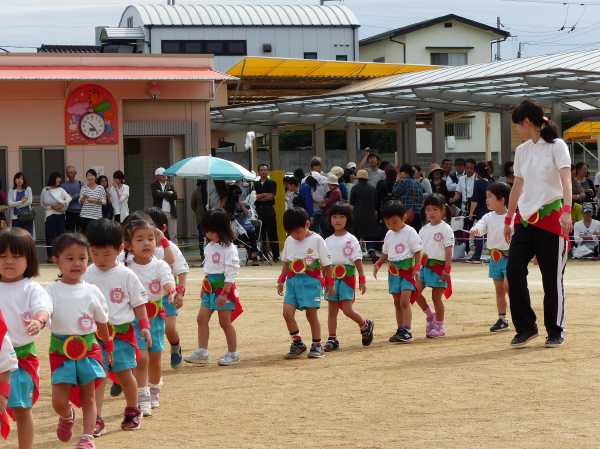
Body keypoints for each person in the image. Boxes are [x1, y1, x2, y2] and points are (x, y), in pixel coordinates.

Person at [505, 99, 572, 348]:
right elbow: (517, 187)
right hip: (525, 220)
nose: (517, 130)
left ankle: (555, 330)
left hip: (552, 218)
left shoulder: (557, 146)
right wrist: (508, 218)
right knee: (513, 270)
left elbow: (566, 180)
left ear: (526, 122)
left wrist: (567, 210)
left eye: (517, 125)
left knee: (551, 279)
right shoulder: (522, 151)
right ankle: (526, 327)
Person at [84, 219, 151, 434]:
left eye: (106, 254)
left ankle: (132, 409)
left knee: (124, 375)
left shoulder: (126, 275)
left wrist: (144, 326)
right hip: (94, 337)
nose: (100, 260)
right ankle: (96, 418)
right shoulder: (87, 273)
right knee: (98, 378)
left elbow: (138, 303)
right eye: (95, 254)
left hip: (121, 335)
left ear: (120, 248)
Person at [46, 233, 111, 449]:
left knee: (88, 397)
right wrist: (38, 320)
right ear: (56, 260)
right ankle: (67, 416)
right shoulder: (51, 290)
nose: (76, 263)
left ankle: (87, 437)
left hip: (88, 350)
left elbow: (102, 321)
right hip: (60, 352)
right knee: (58, 401)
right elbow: (44, 311)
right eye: (70, 258)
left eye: (82, 258)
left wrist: (107, 344)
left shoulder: (92, 291)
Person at [0, 228, 52, 449]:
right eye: (2, 256)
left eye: (16, 256)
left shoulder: (32, 288)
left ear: (29, 258)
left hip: (21, 359)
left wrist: (39, 320)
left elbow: (44, 307)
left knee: (23, 409)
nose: (8, 261)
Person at [121, 217, 175, 416]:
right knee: (141, 358)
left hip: (156, 318)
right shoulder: (125, 265)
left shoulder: (160, 265)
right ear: (128, 245)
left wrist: (171, 291)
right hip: (134, 319)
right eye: (140, 239)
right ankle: (142, 395)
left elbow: (168, 280)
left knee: (155, 358)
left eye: (151, 239)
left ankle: (154, 390)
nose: (146, 243)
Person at [184, 209, 242, 367]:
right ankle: (202, 352)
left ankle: (233, 353)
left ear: (219, 230)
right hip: (209, 289)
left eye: (209, 231)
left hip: (223, 289)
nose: (207, 234)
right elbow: (209, 270)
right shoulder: (209, 246)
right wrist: (204, 286)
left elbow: (231, 273)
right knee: (201, 318)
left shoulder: (229, 248)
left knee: (225, 322)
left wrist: (224, 293)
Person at [277, 207, 332, 359]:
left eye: (297, 231)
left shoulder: (317, 240)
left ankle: (317, 344)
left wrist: (329, 283)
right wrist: (281, 280)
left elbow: (327, 264)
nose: (295, 235)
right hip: (293, 282)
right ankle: (298, 343)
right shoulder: (289, 240)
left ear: (307, 224)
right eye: (291, 232)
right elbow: (286, 262)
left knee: (311, 315)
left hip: (311, 283)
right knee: (287, 313)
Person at [324, 203, 374, 351]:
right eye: (334, 217)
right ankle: (332, 339)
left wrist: (362, 279)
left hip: (347, 279)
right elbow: (324, 263)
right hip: (331, 279)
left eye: (341, 217)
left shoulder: (351, 239)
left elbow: (357, 260)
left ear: (348, 219)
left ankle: (364, 324)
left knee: (347, 310)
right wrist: (323, 280)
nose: (337, 220)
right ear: (330, 219)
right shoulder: (326, 241)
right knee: (332, 310)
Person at [144, 207, 189, 369]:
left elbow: (181, 271)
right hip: (146, 298)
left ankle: (175, 345)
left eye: (152, 227)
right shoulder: (140, 247)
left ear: (162, 228)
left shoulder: (170, 247)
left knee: (169, 329)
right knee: (146, 330)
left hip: (167, 296)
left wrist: (180, 294)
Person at [373, 201, 423, 344]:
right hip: (393, 272)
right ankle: (400, 328)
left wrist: (417, 266)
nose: (391, 225)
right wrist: (379, 263)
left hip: (407, 272)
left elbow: (418, 251)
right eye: (387, 223)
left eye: (394, 222)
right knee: (396, 302)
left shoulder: (410, 232)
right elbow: (386, 252)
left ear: (404, 217)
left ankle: (407, 330)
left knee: (404, 301)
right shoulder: (389, 234)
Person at [470, 183, 512, 332]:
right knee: (499, 290)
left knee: (509, 288)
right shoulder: (488, 217)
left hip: (510, 258)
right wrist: (475, 230)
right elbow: (480, 226)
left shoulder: (512, 217)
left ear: (502, 199)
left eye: (489, 197)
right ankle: (502, 319)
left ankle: (521, 315)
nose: (486, 200)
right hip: (495, 258)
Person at [417, 194, 454, 338]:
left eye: (435, 209)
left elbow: (449, 250)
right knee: (414, 292)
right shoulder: (423, 229)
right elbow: (419, 250)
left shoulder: (446, 228)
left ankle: (439, 326)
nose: (431, 212)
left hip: (439, 268)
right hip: (424, 268)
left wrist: (447, 269)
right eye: (428, 209)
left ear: (443, 210)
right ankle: (429, 314)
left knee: (436, 297)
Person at [40, 172, 71, 261]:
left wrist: (62, 204)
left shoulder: (61, 189)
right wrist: (52, 207)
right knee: (50, 236)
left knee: (61, 236)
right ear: (52, 180)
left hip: (60, 215)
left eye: (59, 181)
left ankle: (60, 255)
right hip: (50, 215)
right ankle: (50, 256)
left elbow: (69, 198)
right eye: (57, 181)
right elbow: (42, 203)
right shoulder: (45, 189)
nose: (58, 183)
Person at [350, 170, 379, 262]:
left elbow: (352, 203)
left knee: (356, 236)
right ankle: (372, 253)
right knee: (369, 236)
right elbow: (376, 203)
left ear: (358, 178)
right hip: (370, 216)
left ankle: (356, 256)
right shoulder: (372, 188)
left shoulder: (355, 188)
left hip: (357, 215)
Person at [466, 162, 491, 262]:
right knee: (489, 234)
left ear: (477, 172)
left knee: (478, 233)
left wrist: (471, 213)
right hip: (490, 210)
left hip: (481, 212)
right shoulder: (490, 182)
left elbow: (474, 200)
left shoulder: (478, 183)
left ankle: (477, 255)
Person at [254, 164, 279, 262]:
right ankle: (264, 255)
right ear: (258, 172)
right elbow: (254, 197)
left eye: (265, 170)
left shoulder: (272, 183)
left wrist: (261, 196)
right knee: (261, 233)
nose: (263, 172)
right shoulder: (255, 184)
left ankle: (276, 255)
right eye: (261, 170)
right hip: (258, 211)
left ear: (268, 171)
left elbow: (271, 196)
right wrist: (264, 195)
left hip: (269, 210)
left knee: (272, 232)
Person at [393, 164, 425, 231]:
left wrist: (397, 181)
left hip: (406, 214)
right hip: (418, 213)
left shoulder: (403, 182)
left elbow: (395, 192)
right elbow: (421, 198)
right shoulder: (418, 183)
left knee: (405, 234)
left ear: (404, 172)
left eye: (400, 172)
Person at [151, 167, 178, 243]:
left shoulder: (170, 185)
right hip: (159, 212)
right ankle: (159, 247)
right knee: (159, 231)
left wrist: (163, 194)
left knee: (173, 233)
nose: (165, 176)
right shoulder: (154, 185)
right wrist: (168, 193)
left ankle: (174, 248)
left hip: (171, 212)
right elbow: (156, 195)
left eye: (165, 174)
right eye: (162, 175)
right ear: (157, 176)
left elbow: (175, 196)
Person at [63, 166, 83, 233]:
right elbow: (66, 198)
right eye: (68, 173)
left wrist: (71, 196)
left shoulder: (80, 183)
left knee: (80, 232)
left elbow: (83, 195)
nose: (70, 174)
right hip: (69, 211)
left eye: (72, 172)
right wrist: (77, 195)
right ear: (66, 174)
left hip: (80, 212)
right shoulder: (64, 185)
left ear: (75, 173)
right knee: (70, 233)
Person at [190, 180, 207, 258]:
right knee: (202, 235)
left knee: (202, 235)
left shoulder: (199, 191)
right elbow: (193, 205)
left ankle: (203, 253)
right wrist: (198, 212)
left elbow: (192, 205)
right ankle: (202, 253)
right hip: (201, 217)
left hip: (204, 216)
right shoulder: (196, 192)